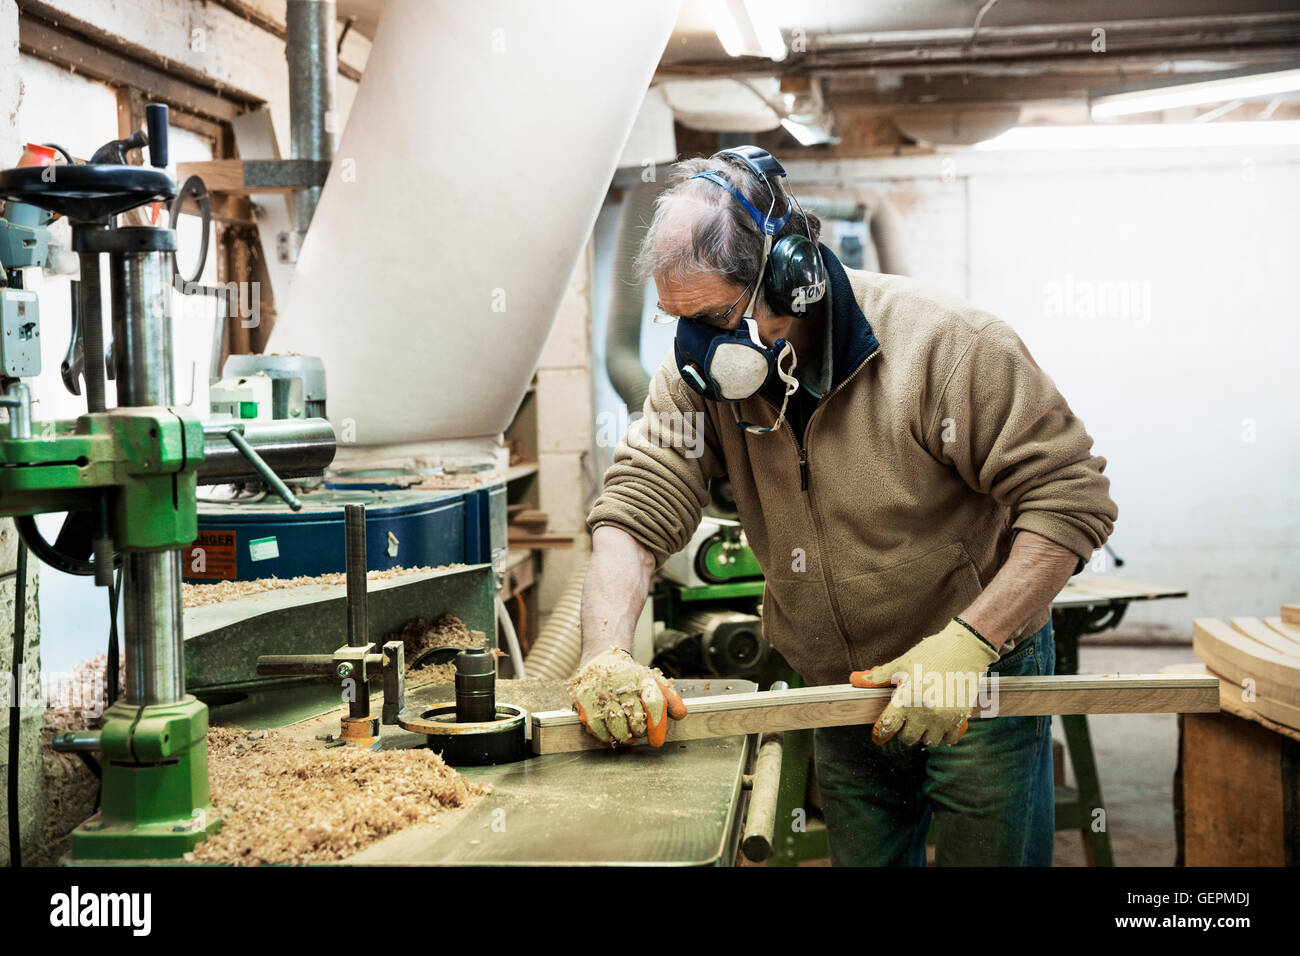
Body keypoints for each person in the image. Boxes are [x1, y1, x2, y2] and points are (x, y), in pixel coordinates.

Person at [568, 146, 1118, 866]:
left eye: (715, 316)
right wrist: (604, 653)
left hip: (976, 678)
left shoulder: (946, 345)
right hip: (841, 685)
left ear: (790, 276)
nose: (697, 348)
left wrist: (970, 642)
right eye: (679, 321)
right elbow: (637, 508)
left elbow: (1069, 498)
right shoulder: (700, 376)